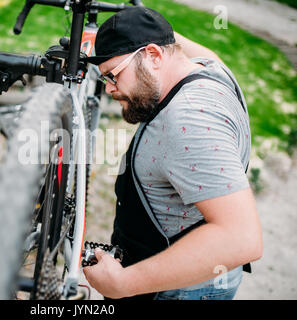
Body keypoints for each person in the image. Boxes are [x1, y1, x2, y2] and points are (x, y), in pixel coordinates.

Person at [82, 6, 263, 300]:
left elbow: (241, 238)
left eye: (113, 75)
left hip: (180, 292)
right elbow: (179, 46)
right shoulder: (210, 70)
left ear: (154, 55)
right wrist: (140, 20)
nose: (110, 89)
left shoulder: (188, 120)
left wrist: (122, 284)